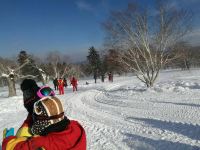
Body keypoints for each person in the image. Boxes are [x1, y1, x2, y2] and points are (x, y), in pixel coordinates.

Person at [2, 96, 87, 150]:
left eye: (37, 118)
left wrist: (8, 138)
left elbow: (10, 147)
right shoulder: (76, 126)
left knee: (23, 134)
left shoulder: (42, 143)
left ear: (43, 121)